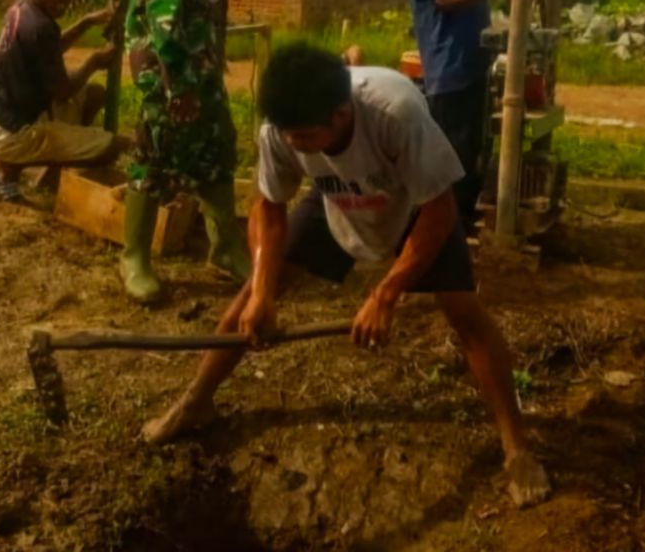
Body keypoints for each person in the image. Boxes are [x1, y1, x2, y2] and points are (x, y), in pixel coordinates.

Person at [140, 43, 551, 508]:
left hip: (413, 205)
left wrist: (386, 293)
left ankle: (516, 446)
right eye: (288, 135)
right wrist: (262, 289)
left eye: (306, 136)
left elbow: (440, 208)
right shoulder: (282, 127)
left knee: (465, 313)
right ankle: (196, 401)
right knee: (244, 306)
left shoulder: (394, 113)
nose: (294, 143)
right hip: (336, 198)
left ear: (341, 113)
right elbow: (269, 208)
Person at [121, 0, 273, 303]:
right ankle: (135, 258)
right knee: (155, 151)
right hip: (170, 64)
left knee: (215, 146)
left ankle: (224, 248)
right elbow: (162, 7)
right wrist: (178, 82)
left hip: (196, 58)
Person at [404, 0, 513, 227]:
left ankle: (460, 220)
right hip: (446, 63)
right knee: (449, 149)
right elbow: (443, 0)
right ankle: (437, 224)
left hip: (476, 59)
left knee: (477, 147)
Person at [0, 0, 120, 201]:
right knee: (111, 148)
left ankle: (33, 170)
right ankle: (5, 168)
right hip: (10, 131)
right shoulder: (40, 27)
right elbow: (63, 91)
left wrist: (85, 22)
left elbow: (49, 50)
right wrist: (94, 62)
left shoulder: (20, 10)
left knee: (93, 95)